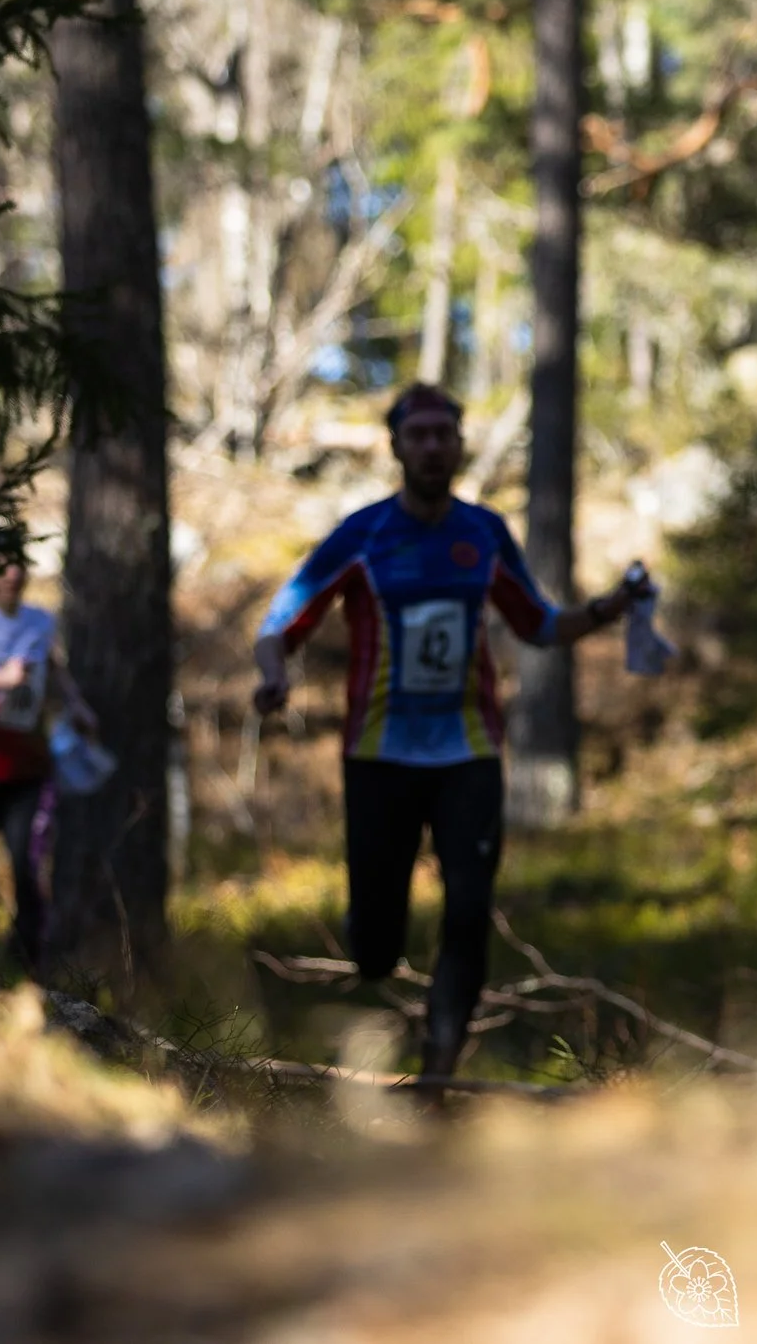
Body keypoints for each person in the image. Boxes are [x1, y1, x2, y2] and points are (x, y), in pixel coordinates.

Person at [251, 384, 652, 1084]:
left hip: (467, 752)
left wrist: (609, 606)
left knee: (469, 908)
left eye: (446, 434)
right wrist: (272, 675)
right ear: (399, 447)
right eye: (421, 435)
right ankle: (372, 938)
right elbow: (280, 622)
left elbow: (538, 623)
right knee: (376, 948)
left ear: (460, 446)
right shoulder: (364, 535)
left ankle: (436, 1073)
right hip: (378, 755)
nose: (434, 446)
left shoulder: (484, 533)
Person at [0, 559, 97, 970]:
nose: (12, 580)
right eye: (3, 573)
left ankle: (27, 969)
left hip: (28, 769)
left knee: (28, 869)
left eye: (19, 573)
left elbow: (52, 668)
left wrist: (77, 706)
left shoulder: (39, 621)